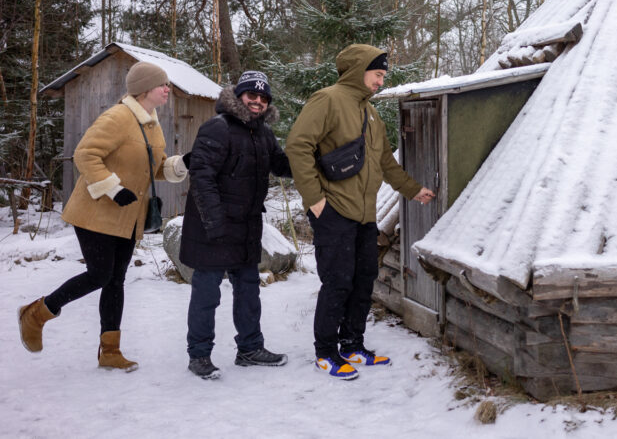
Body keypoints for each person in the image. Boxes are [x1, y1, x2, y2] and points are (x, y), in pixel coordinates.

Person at [17, 61, 187, 371]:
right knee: (100, 274)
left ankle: (110, 351)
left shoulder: (152, 122)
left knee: (116, 281)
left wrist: (182, 164)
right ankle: (38, 312)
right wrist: (113, 187)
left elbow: (155, 167)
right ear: (146, 89)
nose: (167, 89)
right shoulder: (118, 117)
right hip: (95, 212)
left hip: (127, 216)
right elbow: (85, 154)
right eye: (163, 85)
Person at [286, 44, 435, 381]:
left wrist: (412, 190)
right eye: (378, 74)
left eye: (383, 75)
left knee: (363, 280)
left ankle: (352, 344)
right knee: (337, 282)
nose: (381, 81)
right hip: (334, 210)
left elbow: (384, 161)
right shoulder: (328, 100)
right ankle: (325, 352)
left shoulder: (370, 112)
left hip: (364, 214)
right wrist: (315, 200)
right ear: (358, 69)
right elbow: (298, 146)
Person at [179, 70, 293, 380]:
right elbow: (201, 178)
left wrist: (310, 153)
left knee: (248, 290)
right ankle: (199, 355)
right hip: (212, 227)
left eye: (263, 97)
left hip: (246, 226)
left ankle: (250, 348)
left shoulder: (264, 133)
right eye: (251, 96)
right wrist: (215, 224)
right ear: (239, 97)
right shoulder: (217, 128)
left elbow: (282, 165)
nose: (257, 101)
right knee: (207, 294)